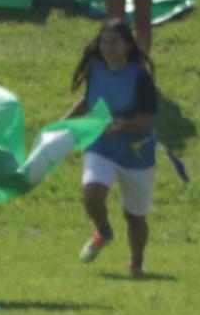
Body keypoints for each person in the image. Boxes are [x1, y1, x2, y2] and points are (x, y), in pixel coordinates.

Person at [64, 21, 159, 277]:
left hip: (137, 154)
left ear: (128, 45)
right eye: (104, 42)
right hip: (101, 146)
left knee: (135, 217)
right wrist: (63, 124)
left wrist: (123, 124)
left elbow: (146, 119)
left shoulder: (139, 77)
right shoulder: (96, 71)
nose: (108, 47)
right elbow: (87, 101)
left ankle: (136, 262)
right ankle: (103, 232)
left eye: (115, 42)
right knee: (91, 195)